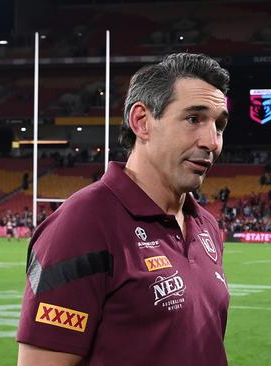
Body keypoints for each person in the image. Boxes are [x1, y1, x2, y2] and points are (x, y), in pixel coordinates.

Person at [16, 53, 231, 365]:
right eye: (194, 119)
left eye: (220, 125)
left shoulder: (206, 225)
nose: (212, 141)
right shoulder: (82, 225)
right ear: (141, 122)